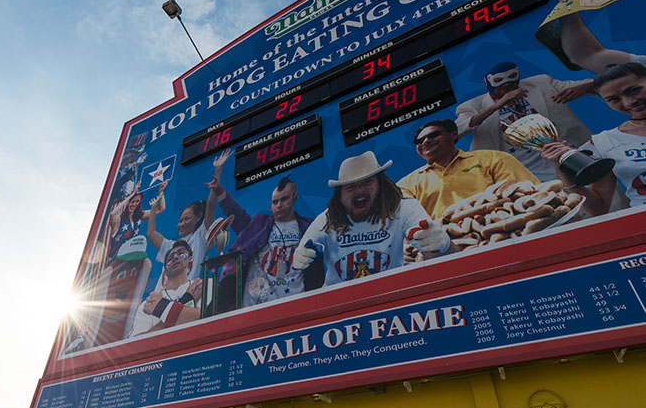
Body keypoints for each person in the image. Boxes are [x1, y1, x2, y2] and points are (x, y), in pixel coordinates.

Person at [293, 151, 451, 287]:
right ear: (340, 195)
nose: (360, 191)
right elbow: (305, 250)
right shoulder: (327, 218)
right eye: (351, 186)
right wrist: (302, 256)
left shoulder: (404, 207)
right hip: (339, 301)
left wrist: (444, 244)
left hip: (391, 293)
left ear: (381, 185)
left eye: (368, 182)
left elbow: (435, 258)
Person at [455, 61, 593, 181]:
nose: (508, 88)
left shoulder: (541, 83)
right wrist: (497, 105)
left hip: (567, 154)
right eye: (501, 86)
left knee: (605, 198)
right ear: (489, 84)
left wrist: (585, 87)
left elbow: (592, 84)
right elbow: (457, 130)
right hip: (527, 170)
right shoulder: (472, 106)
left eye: (511, 84)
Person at [541, 62, 646, 214]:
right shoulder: (605, 142)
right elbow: (598, 208)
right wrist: (562, 171)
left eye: (634, 90)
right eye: (613, 99)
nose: (629, 102)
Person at [211, 175, 323, 310]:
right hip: (253, 309)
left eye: (284, 199)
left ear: (295, 197)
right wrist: (218, 189)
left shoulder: (308, 227)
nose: (279, 205)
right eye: (275, 202)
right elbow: (235, 212)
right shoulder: (258, 225)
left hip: (295, 307)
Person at [397, 120, 540, 219]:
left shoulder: (494, 158)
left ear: (453, 135)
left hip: (502, 231)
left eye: (433, 135)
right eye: (419, 141)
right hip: (441, 250)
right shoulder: (407, 184)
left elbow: (529, 195)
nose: (426, 141)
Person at [147, 150, 229, 285]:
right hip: (161, 298)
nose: (182, 224)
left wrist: (218, 171)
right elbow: (151, 233)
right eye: (180, 220)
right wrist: (153, 208)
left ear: (198, 217)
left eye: (186, 219)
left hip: (183, 295)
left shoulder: (200, 237)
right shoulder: (170, 246)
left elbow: (210, 203)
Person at [130, 240, 202, 337]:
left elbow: (210, 318)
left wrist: (162, 308)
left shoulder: (202, 285)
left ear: (190, 259)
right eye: (170, 258)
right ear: (165, 269)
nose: (175, 257)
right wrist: (187, 299)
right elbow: (137, 342)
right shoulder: (149, 303)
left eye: (181, 253)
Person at [108, 182, 164, 259]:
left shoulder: (138, 217)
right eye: (132, 201)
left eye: (137, 201)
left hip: (129, 258)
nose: (134, 204)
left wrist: (161, 194)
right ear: (127, 203)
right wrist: (132, 194)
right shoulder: (118, 221)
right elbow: (112, 214)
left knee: (146, 262)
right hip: (116, 259)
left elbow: (160, 209)